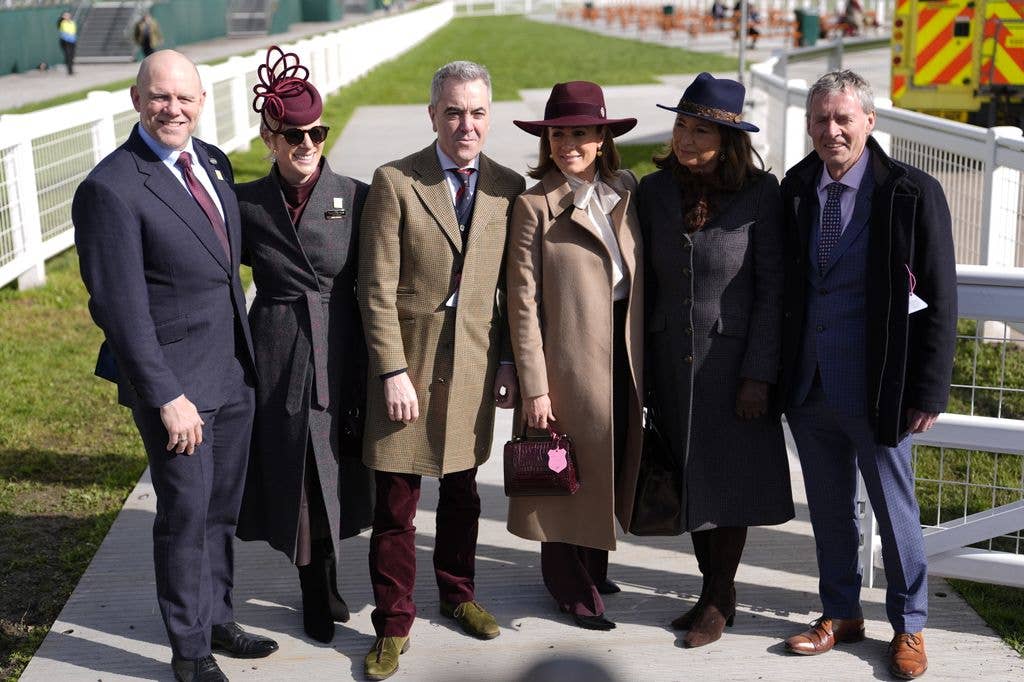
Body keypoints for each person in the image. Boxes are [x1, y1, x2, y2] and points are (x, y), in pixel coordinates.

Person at [73, 50, 279, 682]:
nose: (174, 109)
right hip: (178, 391)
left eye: (186, 98)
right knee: (185, 517)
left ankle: (217, 616)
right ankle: (190, 653)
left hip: (231, 373)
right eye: (160, 97)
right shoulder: (111, 188)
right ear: (137, 100)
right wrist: (165, 395)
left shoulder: (211, 162)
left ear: (201, 102)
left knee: (221, 510)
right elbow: (119, 307)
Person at [778, 70, 957, 680]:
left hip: (880, 387)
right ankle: (840, 612)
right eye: (820, 119)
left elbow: (939, 297)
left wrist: (929, 388)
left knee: (895, 510)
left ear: (869, 121)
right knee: (829, 509)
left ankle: (910, 626)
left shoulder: (910, 192)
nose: (831, 130)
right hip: (810, 385)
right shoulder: (797, 187)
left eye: (843, 118)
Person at [357, 60, 525, 680]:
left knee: (461, 493)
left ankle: (458, 594)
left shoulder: (507, 188)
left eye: (477, 112)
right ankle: (393, 623)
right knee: (397, 505)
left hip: (475, 371)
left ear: (490, 116)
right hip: (409, 368)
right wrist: (391, 370)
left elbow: (512, 291)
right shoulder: (397, 181)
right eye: (453, 112)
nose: (466, 125)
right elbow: (373, 290)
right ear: (432, 115)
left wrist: (507, 361)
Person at [638, 72, 794, 648]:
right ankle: (712, 591)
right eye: (682, 125)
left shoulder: (760, 194)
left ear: (728, 140)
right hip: (671, 366)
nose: (686, 138)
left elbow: (773, 289)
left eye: (701, 131)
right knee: (691, 480)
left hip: (733, 369)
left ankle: (718, 595)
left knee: (729, 485)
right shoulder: (652, 192)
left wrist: (759, 374)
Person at [233, 46, 375, 644]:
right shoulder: (246, 204)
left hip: (342, 349)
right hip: (280, 349)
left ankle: (331, 574)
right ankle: (313, 589)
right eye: (293, 134)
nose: (306, 143)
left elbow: (385, 275)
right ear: (269, 136)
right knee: (298, 472)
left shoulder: (356, 195)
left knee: (337, 465)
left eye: (316, 131)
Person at [505, 81, 644, 632]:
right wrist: (535, 386)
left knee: (605, 466)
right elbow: (521, 303)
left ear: (602, 136)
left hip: (621, 352)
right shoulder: (533, 205)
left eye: (580, 133)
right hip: (564, 359)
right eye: (559, 134)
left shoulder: (625, 191)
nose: (569, 144)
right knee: (560, 474)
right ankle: (570, 586)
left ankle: (594, 562)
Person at [57, 11, 77, 76]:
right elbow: (58, 24)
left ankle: (69, 67)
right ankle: (70, 71)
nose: (67, 16)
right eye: (65, 15)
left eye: (68, 15)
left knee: (72, 55)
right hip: (65, 41)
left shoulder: (72, 22)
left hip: (72, 41)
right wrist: (61, 18)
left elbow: (73, 31)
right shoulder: (62, 22)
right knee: (68, 55)